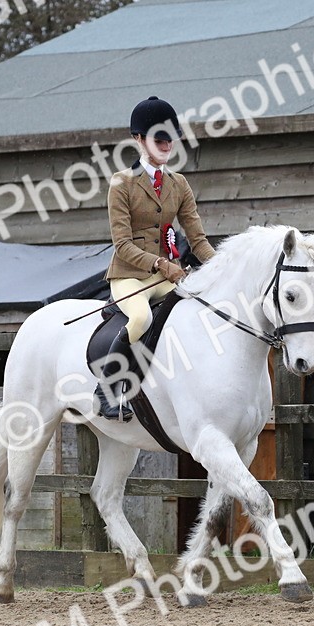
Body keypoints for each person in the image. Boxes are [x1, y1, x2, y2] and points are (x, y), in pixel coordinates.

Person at [96, 96, 217, 421]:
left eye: (170, 138)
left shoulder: (179, 184)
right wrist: (162, 264)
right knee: (141, 320)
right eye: (158, 139)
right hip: (130, 275)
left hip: (165, 277)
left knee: (196, 310)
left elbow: (197, 238)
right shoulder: (122, 183)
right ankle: (107, 389)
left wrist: (221, 267)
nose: (166, 145)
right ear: (138, 139)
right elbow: (122, 244)